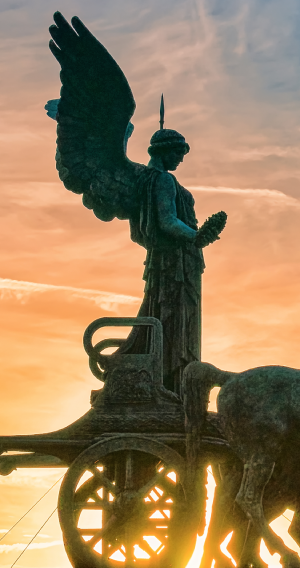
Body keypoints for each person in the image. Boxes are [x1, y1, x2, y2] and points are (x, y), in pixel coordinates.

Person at [117, 128, 222, 394]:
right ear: (163, 151)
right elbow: (166, 221)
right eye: (178, 152)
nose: (181, 159)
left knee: (168, 314)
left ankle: (164, 376)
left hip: (172, 261)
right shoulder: (162, 180)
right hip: (173, 263)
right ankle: (170, 382)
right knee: (175, 317)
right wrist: (196, 237)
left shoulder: (146, 179)